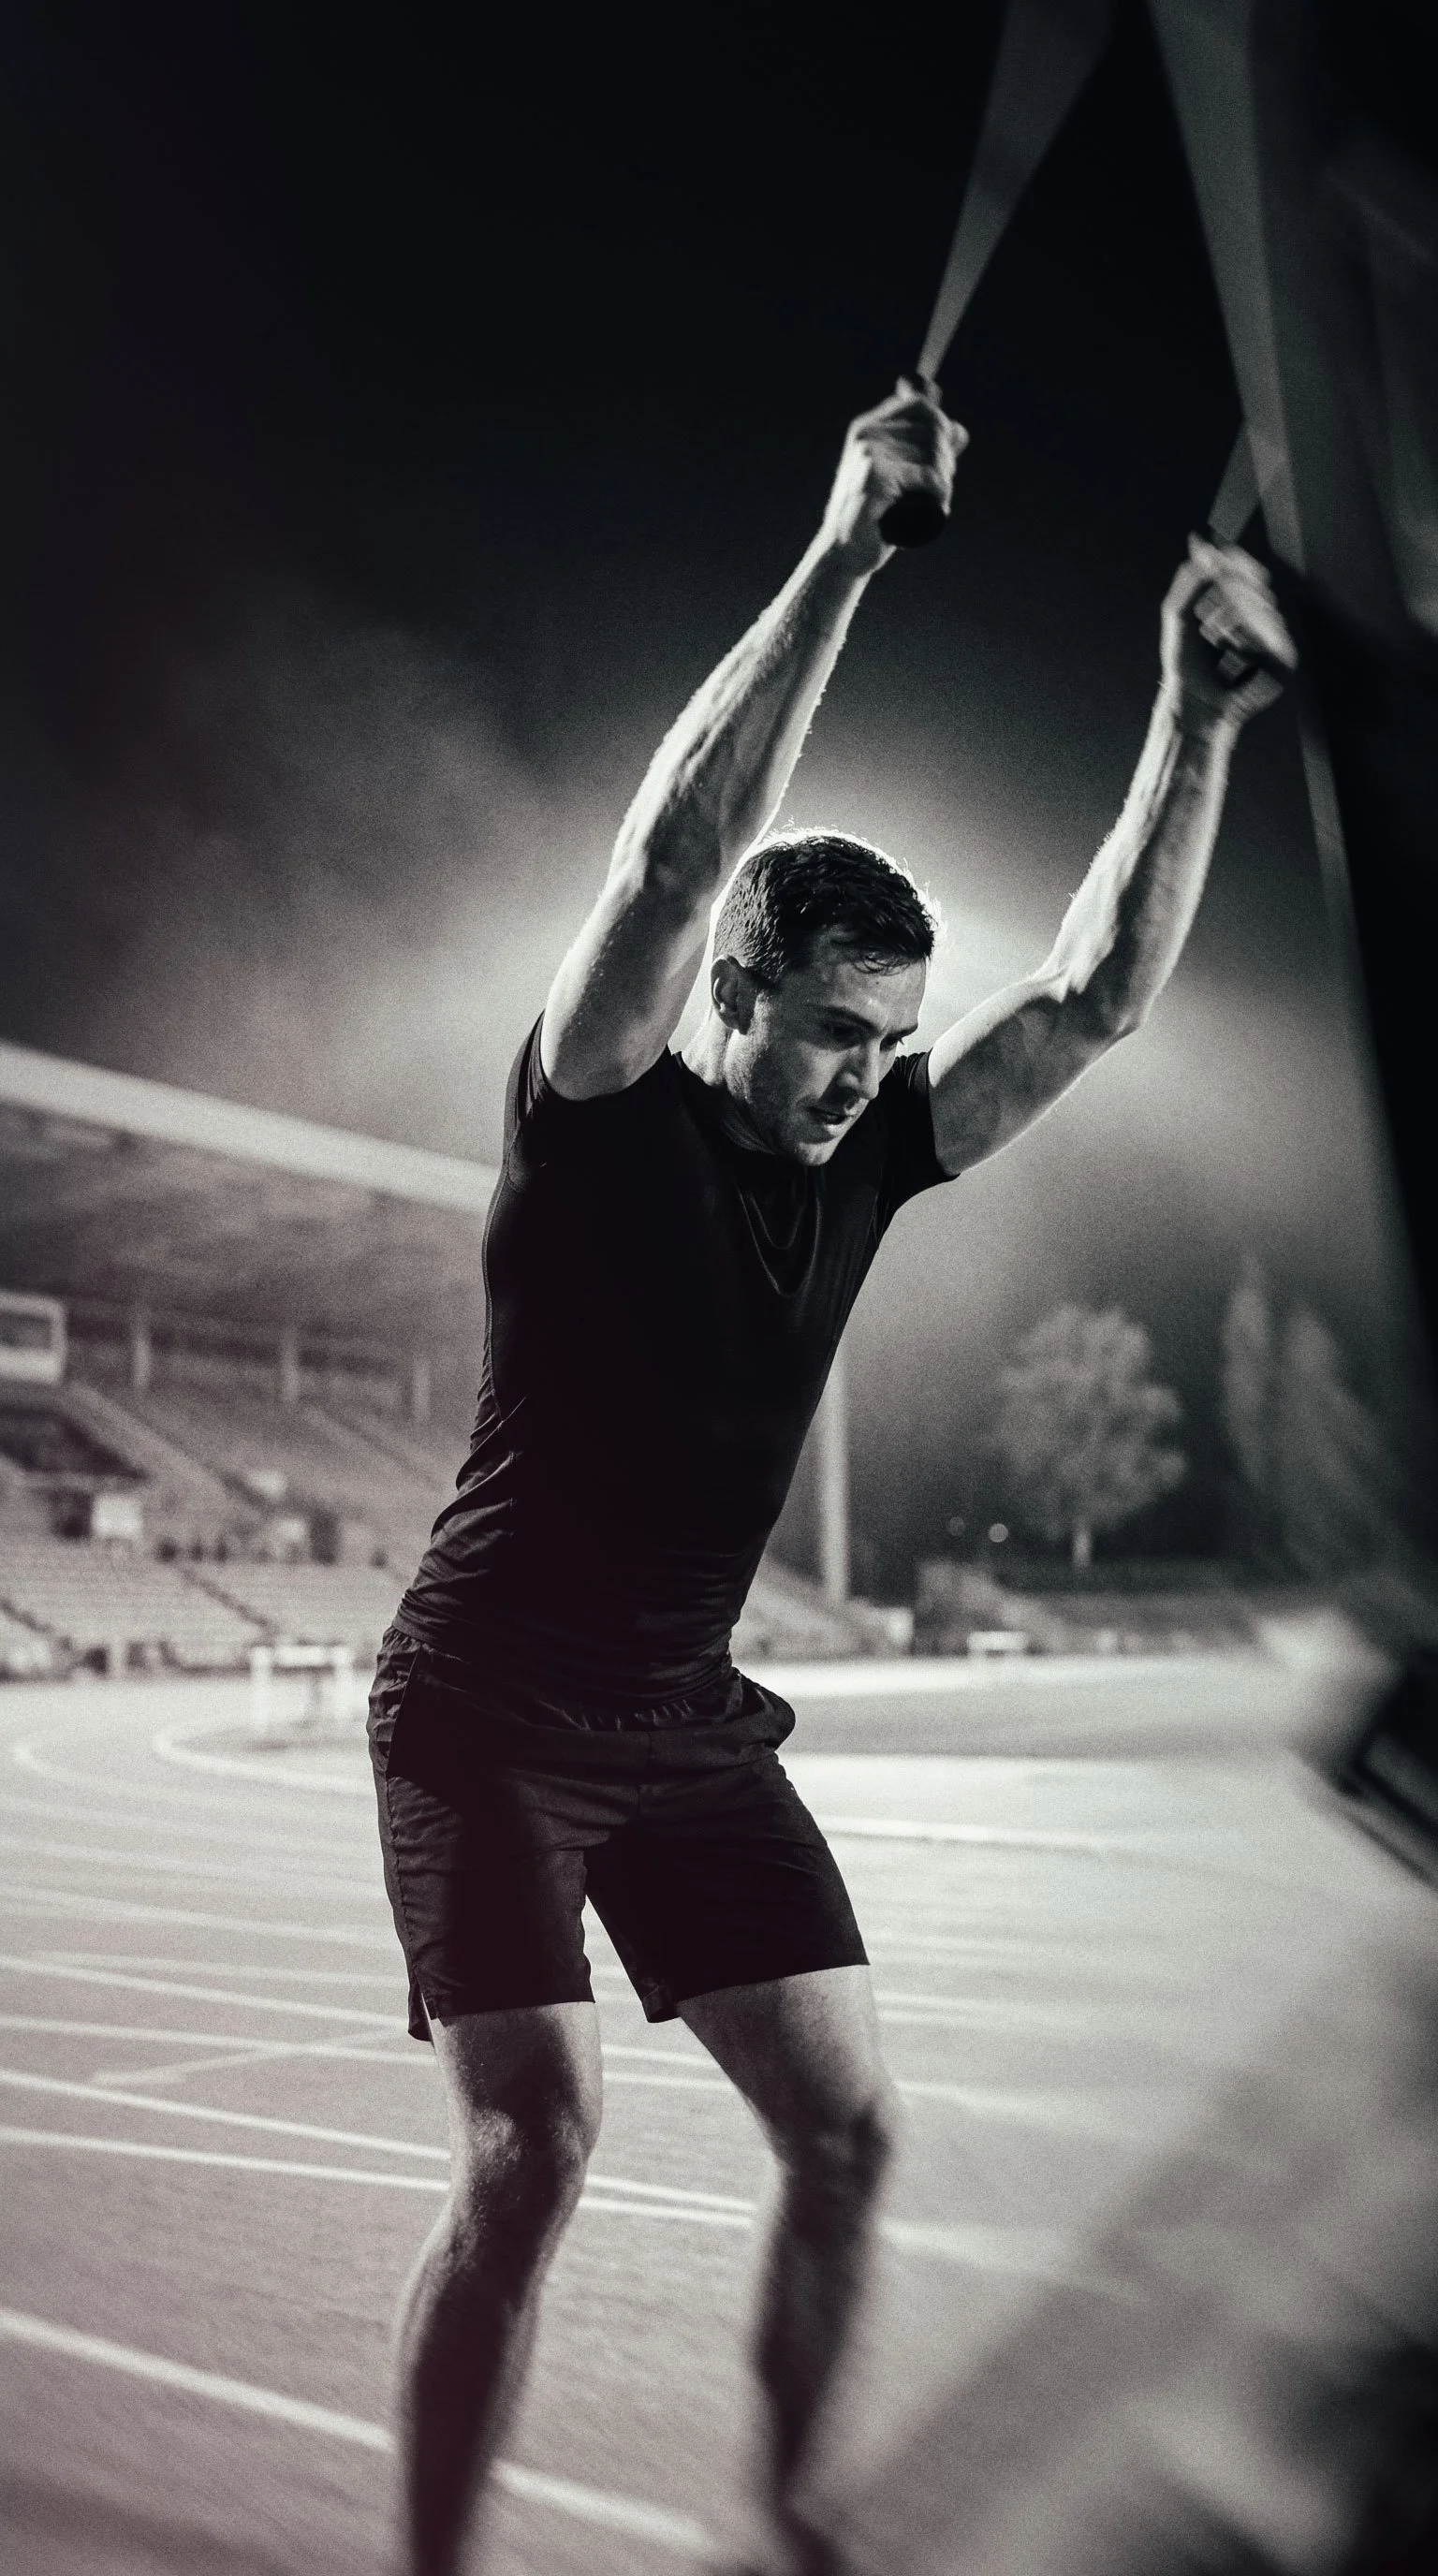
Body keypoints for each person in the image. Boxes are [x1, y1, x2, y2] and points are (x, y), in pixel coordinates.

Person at [367, 378, 1296, 2576]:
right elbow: (674, 850)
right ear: (732, 994)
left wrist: (1198, 718)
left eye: (889, 1042)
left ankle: (788, 2511)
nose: (863, 1079)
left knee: (854, 2136)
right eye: (829, 1032)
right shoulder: (599, 1107)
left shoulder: (869, 1154)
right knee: (532, 2153)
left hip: (684, 1724)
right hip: (488, 1705)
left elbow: (1091, 998)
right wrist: (849, 547)